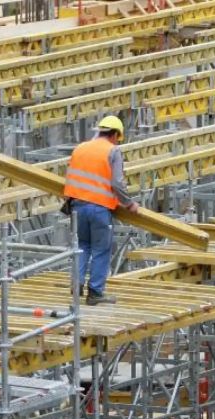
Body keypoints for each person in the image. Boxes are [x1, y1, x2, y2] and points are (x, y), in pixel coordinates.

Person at [63, 116, 139, 306]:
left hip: (77, 206)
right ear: (114, 135)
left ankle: (77, 283)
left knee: (82, 246)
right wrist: (129, 204)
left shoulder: (80, 148)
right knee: (100, 249)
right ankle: (95, 292)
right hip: (98, 208)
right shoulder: (112, 151)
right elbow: (117, 182)